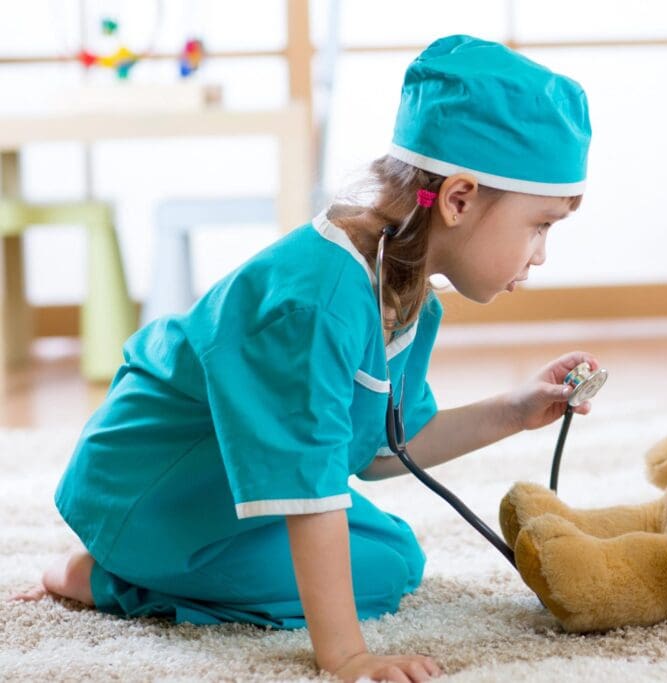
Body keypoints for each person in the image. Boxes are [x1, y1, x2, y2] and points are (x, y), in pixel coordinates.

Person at [12, 35, 595, 683]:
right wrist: (346, 656)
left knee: (396, 556)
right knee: (364, 573)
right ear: (458, 199)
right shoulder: (317, 300)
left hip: (219, 488)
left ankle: (143, 563)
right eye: (540, 225)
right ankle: (103, 575)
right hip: (151, 492)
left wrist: (518, 408)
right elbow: (306, 488)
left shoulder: (409, 299)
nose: (540, 254)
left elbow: (384, 449)